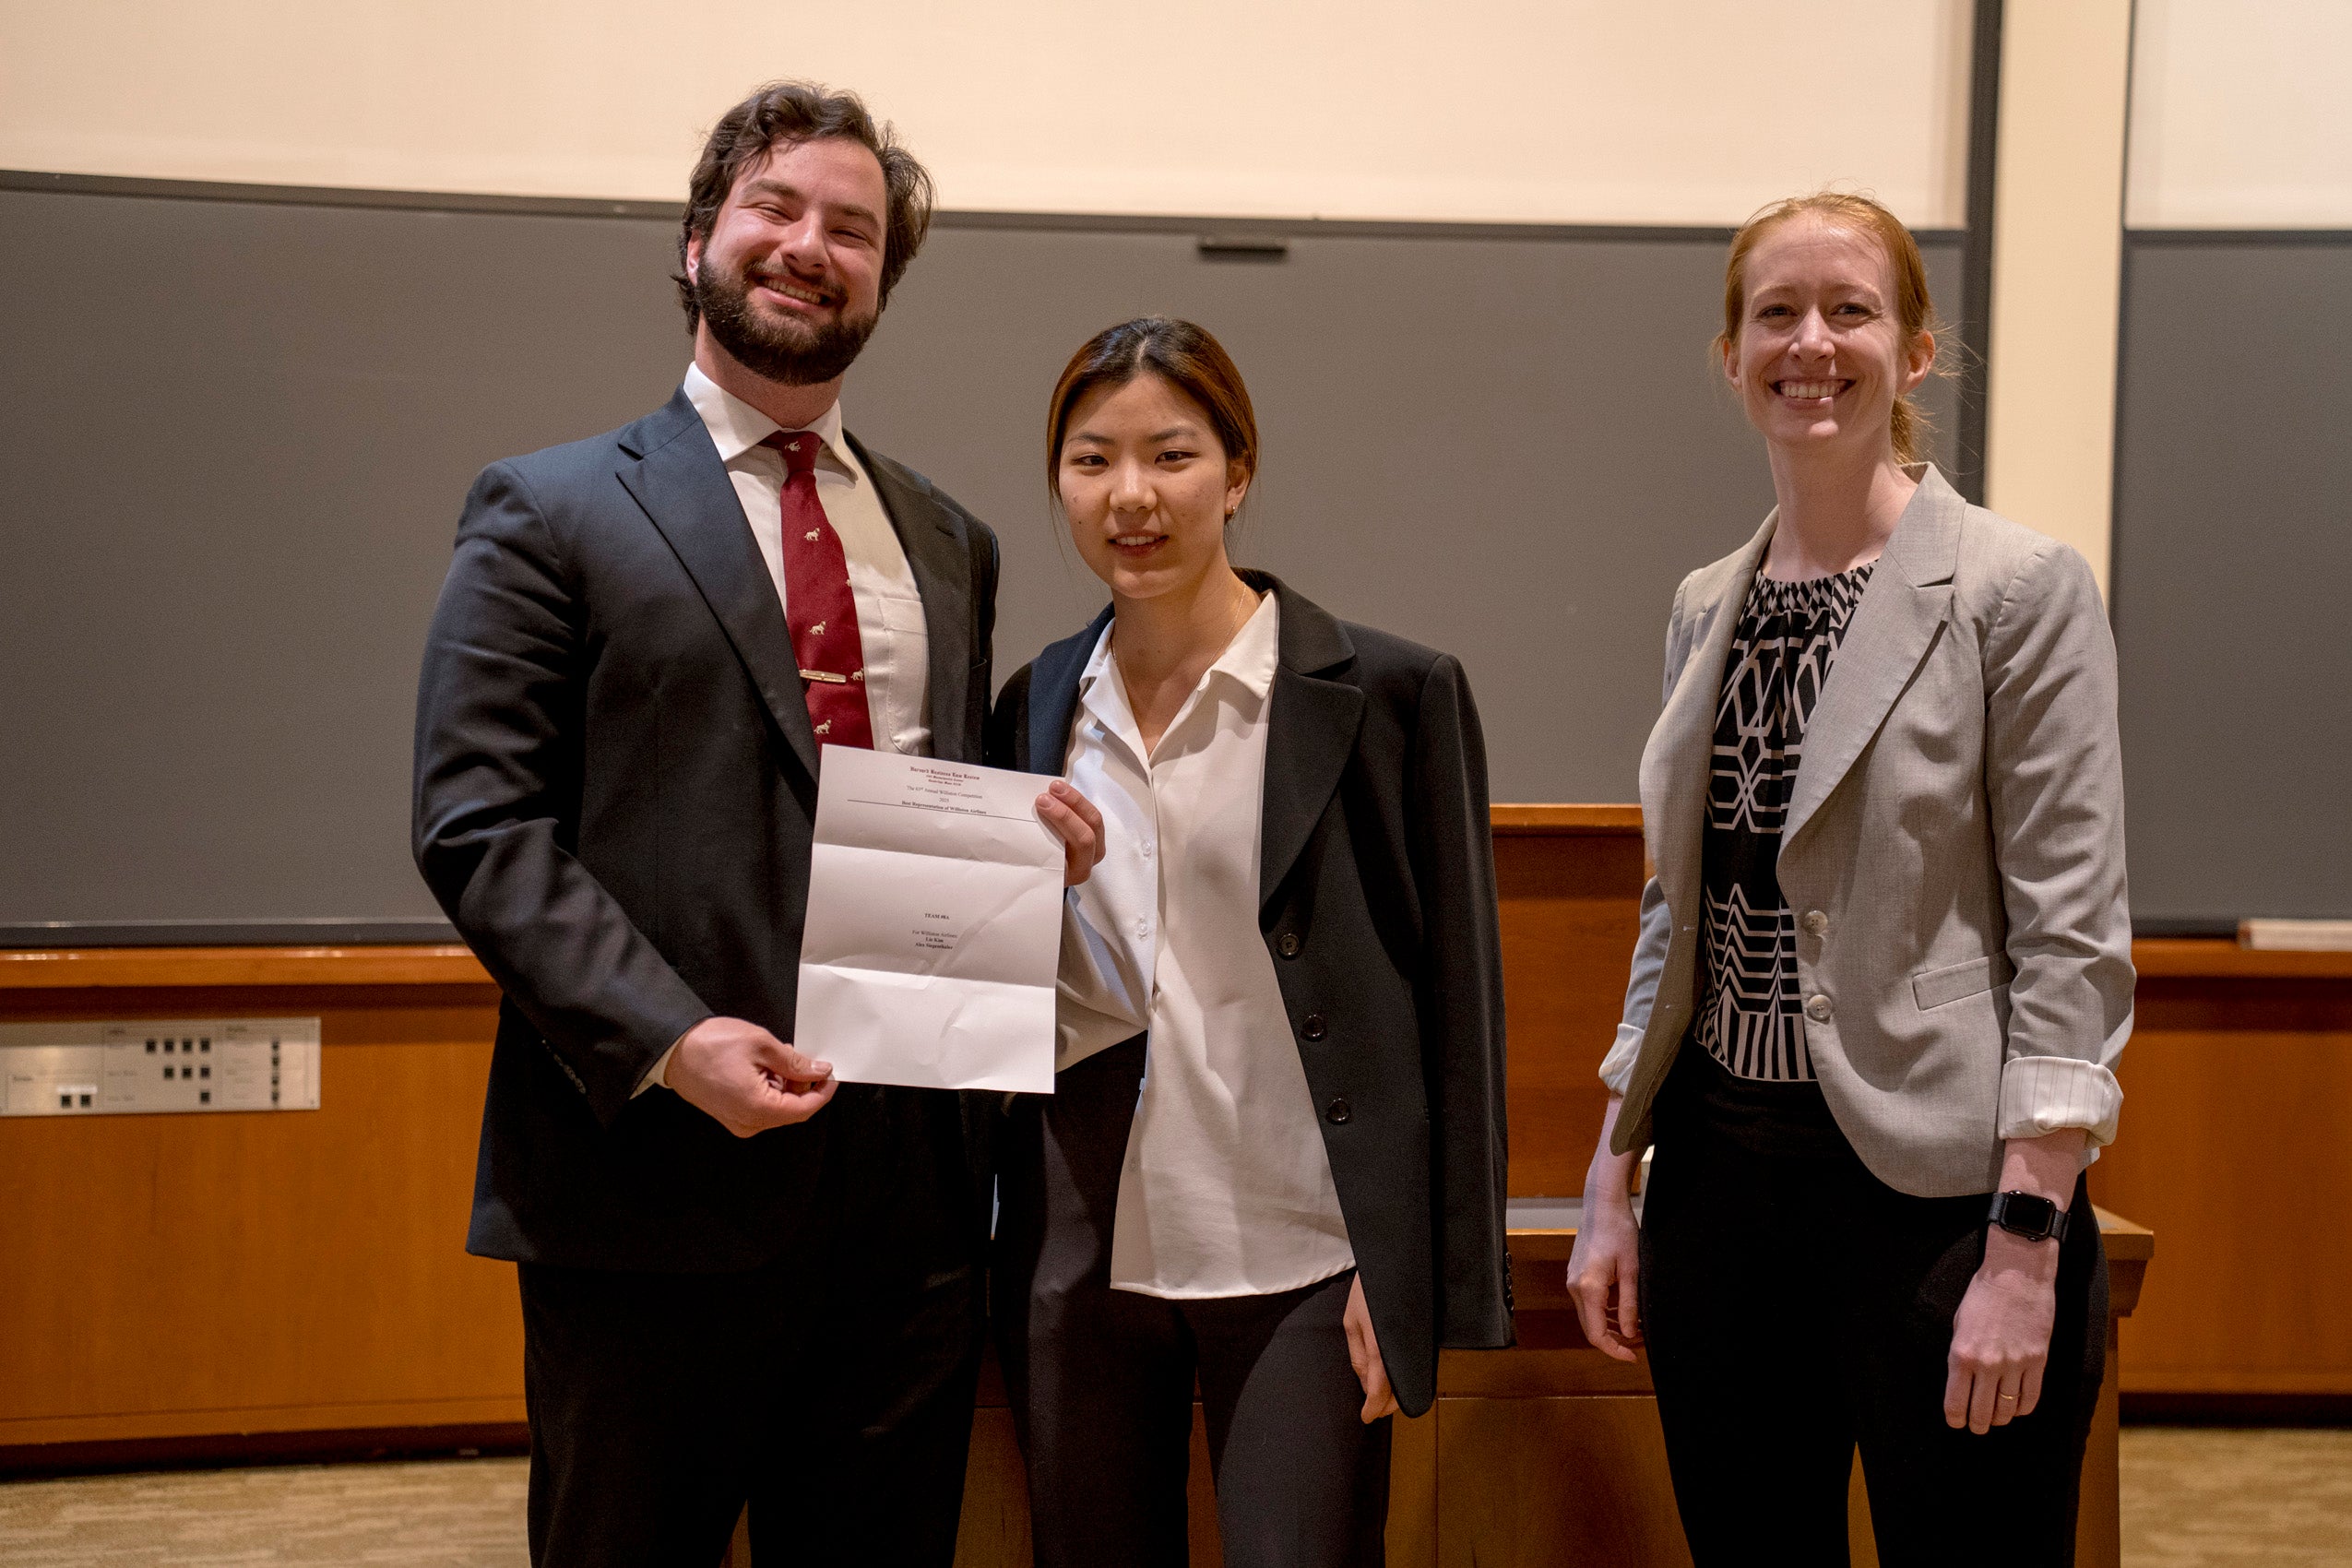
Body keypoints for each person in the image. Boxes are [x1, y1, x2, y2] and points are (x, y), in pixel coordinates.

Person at [410, 81, 1099, 1568]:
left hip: (911, 1198)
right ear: (696, 241)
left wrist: (1027, 835)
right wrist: (671, 1040)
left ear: (882, 282)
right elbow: (478, 825)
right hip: (647, 1183)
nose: (810, 246)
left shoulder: (945, 536)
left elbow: (927, 810)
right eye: (776, 208)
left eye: (853, 230)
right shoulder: (550, 509)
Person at [1563, 192, 2132, 1565]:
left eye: (1849, 310)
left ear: (1916, 351)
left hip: (1936, 1204)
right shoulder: (1708, 600)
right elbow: (1675, 913)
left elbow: (2070, 937)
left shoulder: (2017, 589)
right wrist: (1610, 1173)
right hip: (1719, 1194)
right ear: (1731, 353)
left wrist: (2023, 1243)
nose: (1808, 343)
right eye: (1774, 314)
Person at [987, 317, 1514, 1568]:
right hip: (1086, 1255)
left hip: (1302, 1256)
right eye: (1090, 460)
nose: (1130, 497)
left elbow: (1460, 1012)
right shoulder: (1034, 706)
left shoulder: (1385, 693)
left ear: (1237, 471)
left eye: (1170, 455)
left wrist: (1423, 1283)